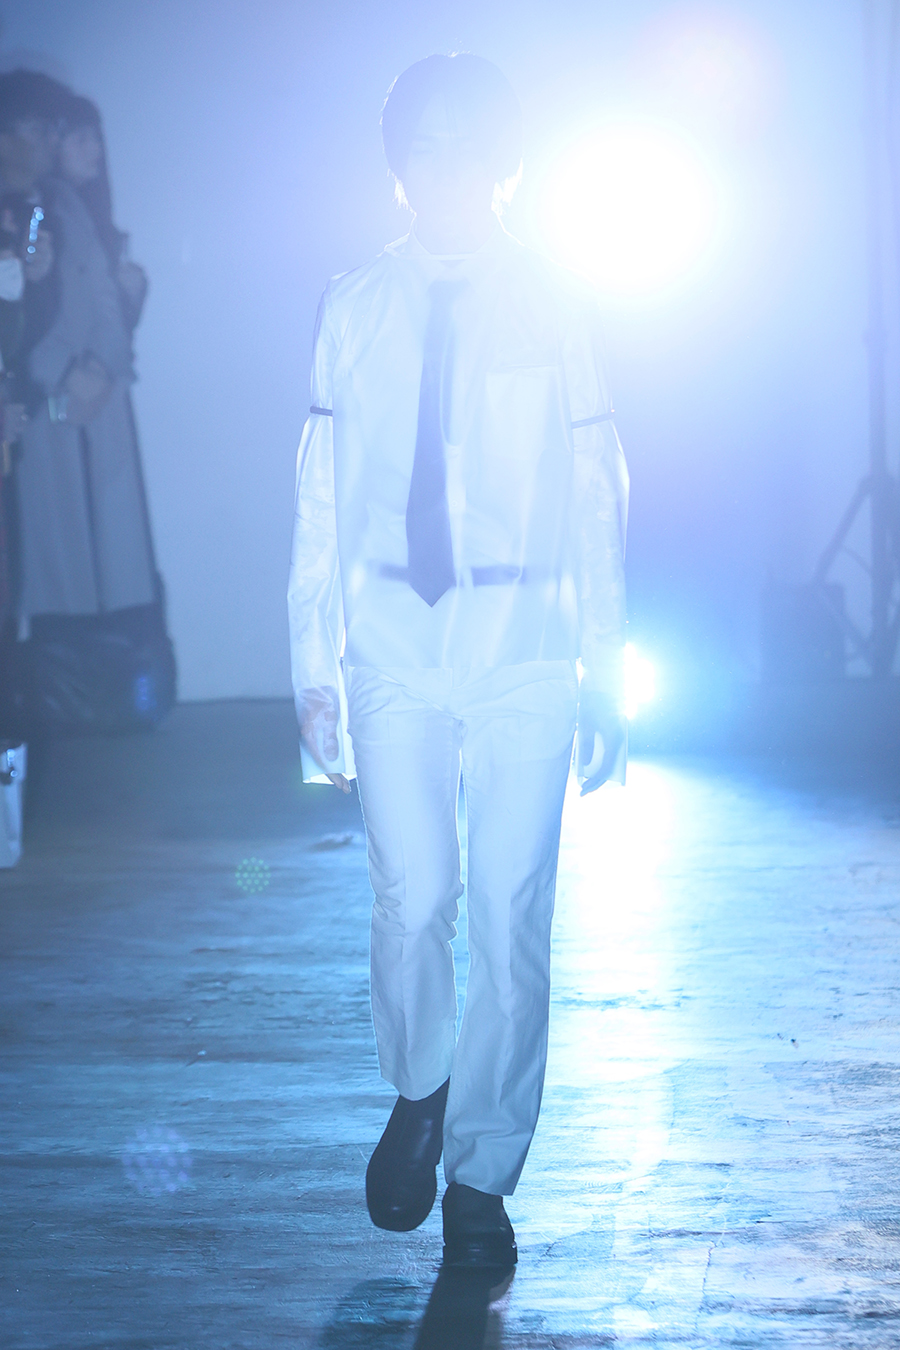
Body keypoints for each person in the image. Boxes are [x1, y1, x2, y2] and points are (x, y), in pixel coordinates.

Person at [288, 53, 628, 1271]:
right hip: (390, 643)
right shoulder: (355, 304)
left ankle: (483, 1170)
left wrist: (606, 665)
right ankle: (420, 1086)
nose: (446, 168)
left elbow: (596, 488)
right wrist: (312, 666)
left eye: (466, 144)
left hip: (525, 645)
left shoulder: (556, 300)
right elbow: (320, 495)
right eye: (424, 145)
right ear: (397, 164)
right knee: (415, 892)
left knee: (515, 911)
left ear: (503, 162)